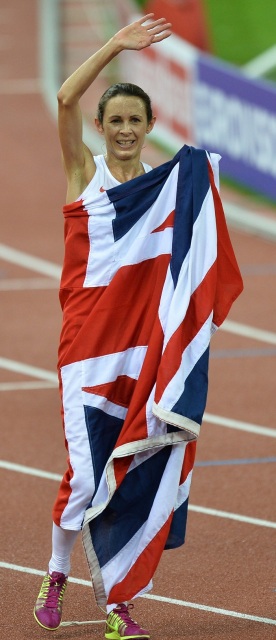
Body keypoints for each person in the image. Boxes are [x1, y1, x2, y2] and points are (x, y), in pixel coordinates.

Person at [34, 13, 172, 640]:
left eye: (133, 121)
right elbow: (64, 97)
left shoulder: (159, 188)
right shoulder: (83, 173)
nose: (123, 129)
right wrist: (115, 45)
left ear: (149, 128)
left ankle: (117, 606)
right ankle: (58, 570)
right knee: (88, 476)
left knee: (132, 475)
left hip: (141, 354)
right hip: (87, 350)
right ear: (100, 127)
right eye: (114, 120)